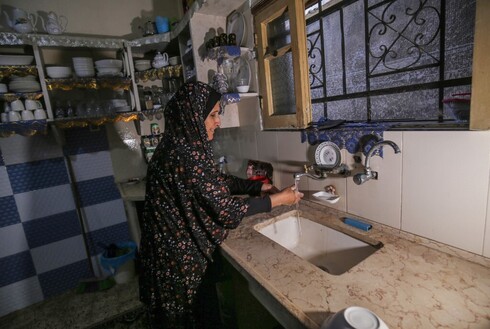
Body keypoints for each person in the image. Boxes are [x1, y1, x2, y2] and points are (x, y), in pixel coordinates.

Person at [138, 81, 303, 328]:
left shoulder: (178, 146)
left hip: (165, 258)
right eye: (213, 115)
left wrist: (258, 186)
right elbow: (227, 212)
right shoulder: (187, 155)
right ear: (193, 116)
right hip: (177, 264)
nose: (219, 121)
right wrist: (280, 199)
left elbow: (215, 181)